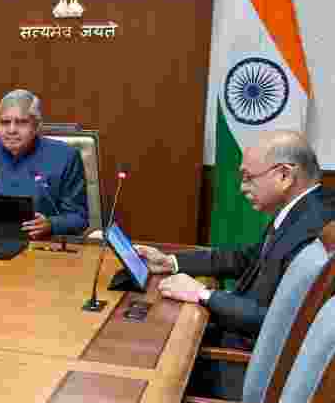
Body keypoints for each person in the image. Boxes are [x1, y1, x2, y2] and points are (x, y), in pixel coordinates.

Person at [136, 130, 326, 352]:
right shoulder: (303, 210)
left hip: (242, 356)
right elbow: (247, 260)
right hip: (239, 335)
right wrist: (171, 262)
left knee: (149, 341)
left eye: (248, 177)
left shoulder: (315, 227)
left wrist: (203, 294)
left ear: (284, 175)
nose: (242, 187)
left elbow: (281, 322)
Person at [0, 89, 87, 239]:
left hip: (39, 246)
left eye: (21, 123)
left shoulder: (65, 156)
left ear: (37, 126)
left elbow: (79, 218)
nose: (11, 130)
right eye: (5, 122)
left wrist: (51, 225)